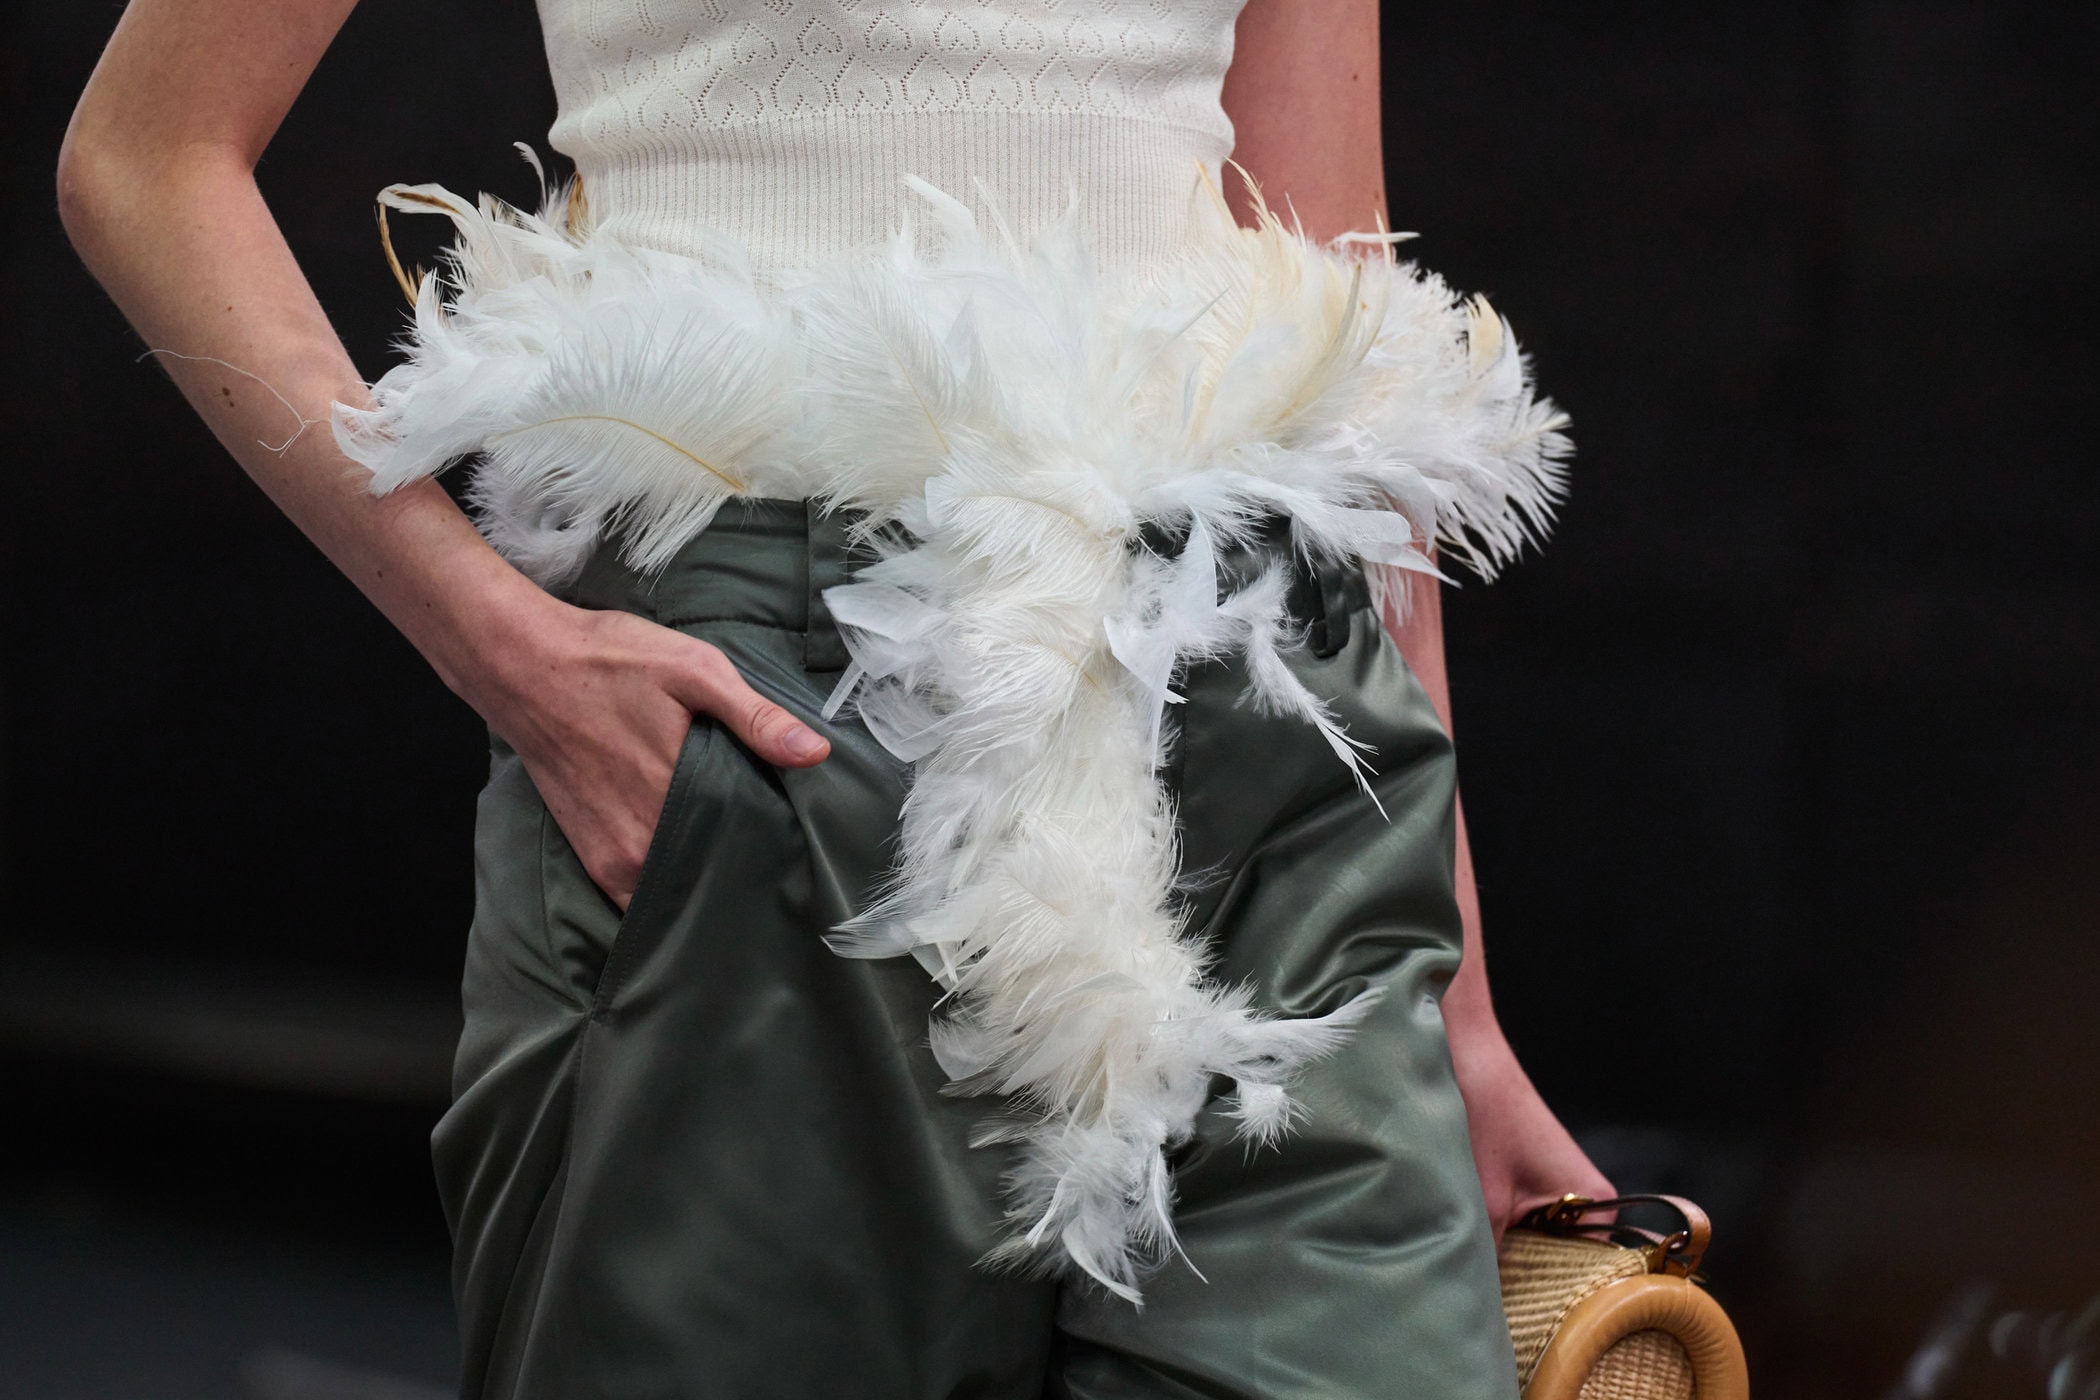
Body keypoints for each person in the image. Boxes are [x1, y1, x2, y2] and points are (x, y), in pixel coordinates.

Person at [58, 1, 1613, 1395]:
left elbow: (1337, 288)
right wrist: (500, 643)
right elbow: (147, 154)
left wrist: (1458, 1004)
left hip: (1268, 707)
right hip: (777, 704)